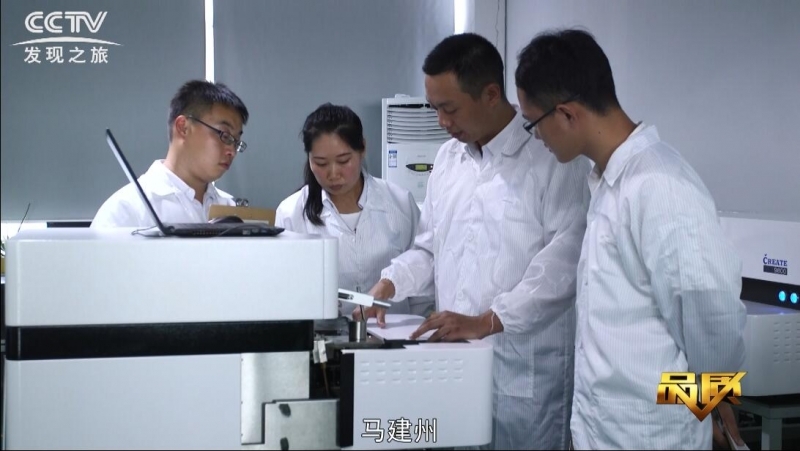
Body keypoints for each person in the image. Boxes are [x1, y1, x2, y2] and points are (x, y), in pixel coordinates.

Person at [514, 28, 747, 450]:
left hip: (651, 437)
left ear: (566, 114)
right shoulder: (608, 184)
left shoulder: (660, 185)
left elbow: (714, 320)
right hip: (603, 431)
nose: (537, 138)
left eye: (533, 124)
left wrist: (708, 405)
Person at [358, 33, 591, 450]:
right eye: (434, 109)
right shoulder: (448, 159)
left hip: (522, 371)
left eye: (449, 109)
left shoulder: (553, 156)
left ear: (490, 94)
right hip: (453, 364)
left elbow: (563, 265)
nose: (441, 122)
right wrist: (390, 283)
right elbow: (430, 248)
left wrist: (487, 320)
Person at [275, 103, 433, 318]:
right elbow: (284, 292)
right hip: (323, 335)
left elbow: (422, 287)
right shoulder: (291, 214)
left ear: (362, 148)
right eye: (320, 163)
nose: (333, 174)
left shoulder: (400, 203)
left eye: (343, 161)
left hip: (395, 332)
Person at [91, 79, 248, 228]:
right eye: (225, 135)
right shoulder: (125, 211)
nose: (232, 151)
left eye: (236, 141)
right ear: (183, 127)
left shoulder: (232, 210)